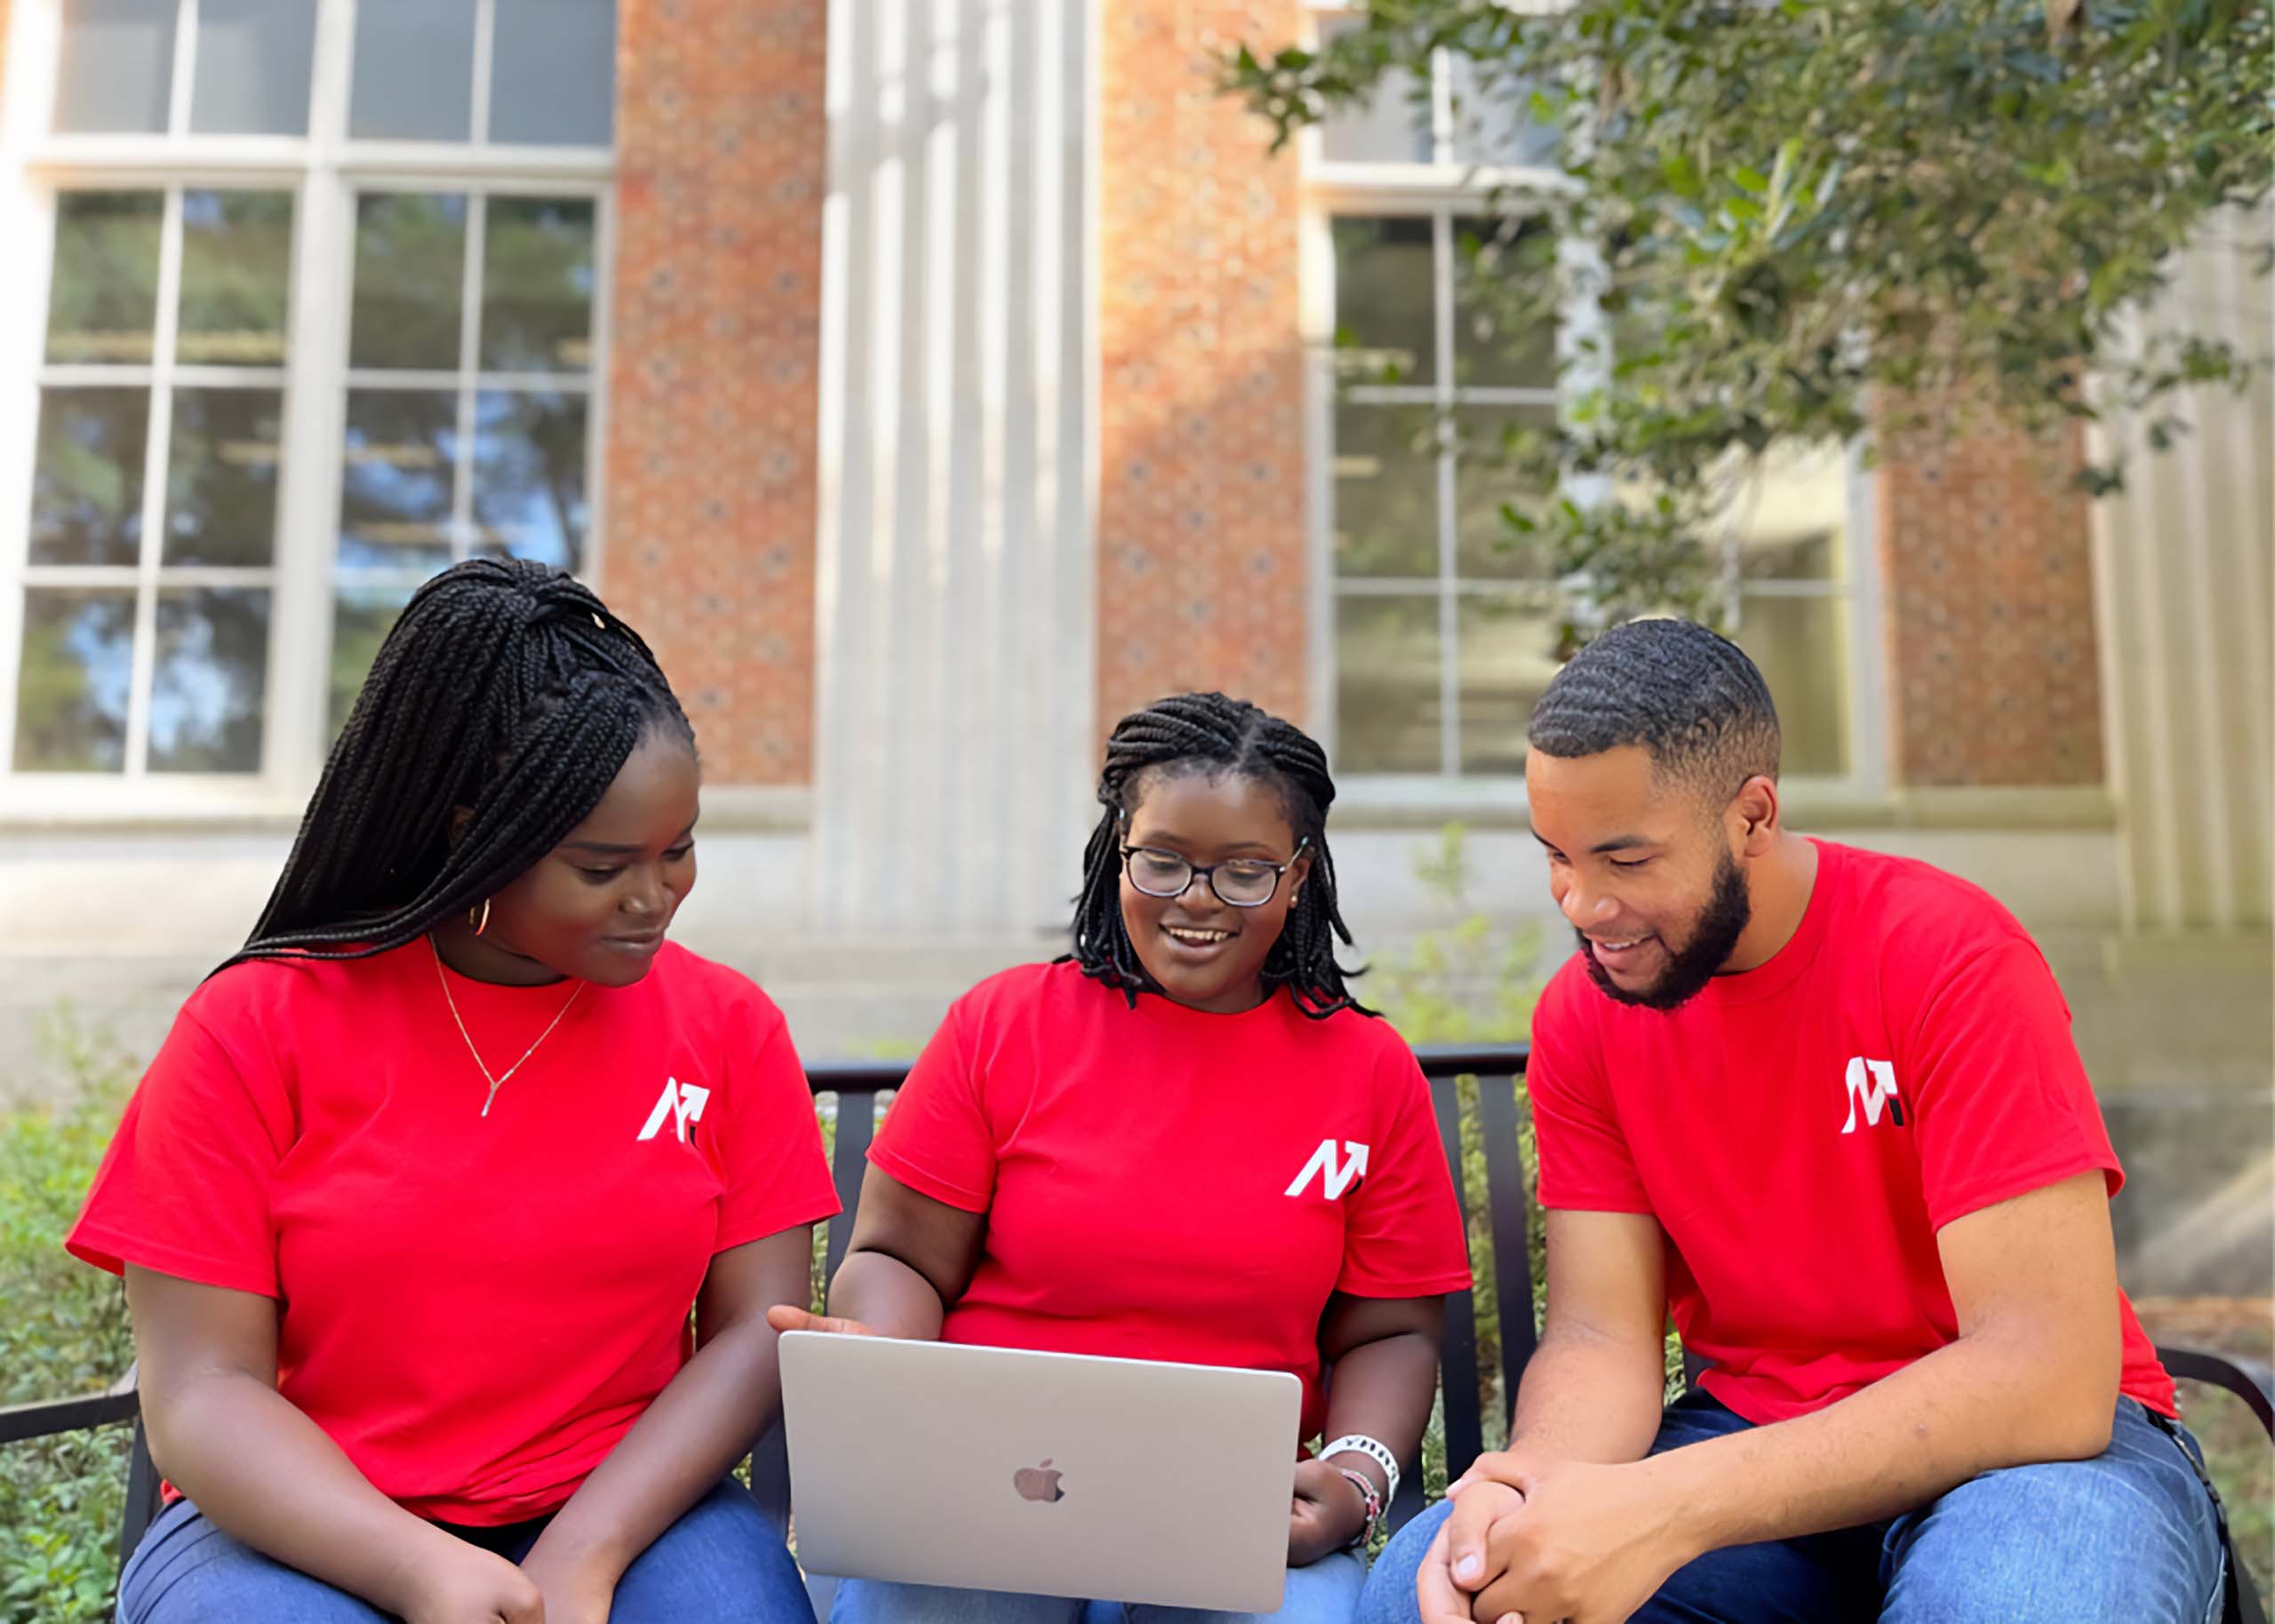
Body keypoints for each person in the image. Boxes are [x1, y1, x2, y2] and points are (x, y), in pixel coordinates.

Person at [1362, 618, 2227, 1624]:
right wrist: (1530, 1483)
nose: (1583, 902)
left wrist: (1664, 1507)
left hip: (2033, 1457)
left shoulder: (1946, 956)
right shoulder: (1585, 1015)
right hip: (1752, 1443)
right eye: (1555, 855)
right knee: (1435, 1587)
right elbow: (1602, 1334)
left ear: (1752, 817)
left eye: (1625, 859)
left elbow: (2044, 1376)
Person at [69, 560, 837, 1624]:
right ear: (469, 829)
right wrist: (418, 1568)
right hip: (301, 1521)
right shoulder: (254, 1028)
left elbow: (759, 1325)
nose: (656, 897)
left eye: (680, 848)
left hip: (626, 1501)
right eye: (603, 864)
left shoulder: (726, 1028)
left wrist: (585, 1552)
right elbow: (202, 1392)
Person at [769, 692, 1475, 1624]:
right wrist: (897, 1381)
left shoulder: (1367, 1072)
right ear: (1117, 847)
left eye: (1245, 872)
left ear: (1300, 875)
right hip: (988, 1499)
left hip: (1231, 1516)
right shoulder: (1004, 1025)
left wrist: (1355, 1477)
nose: (1196, 898)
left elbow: (1390, 1331)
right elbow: (899, 1257)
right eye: (1165, 860)